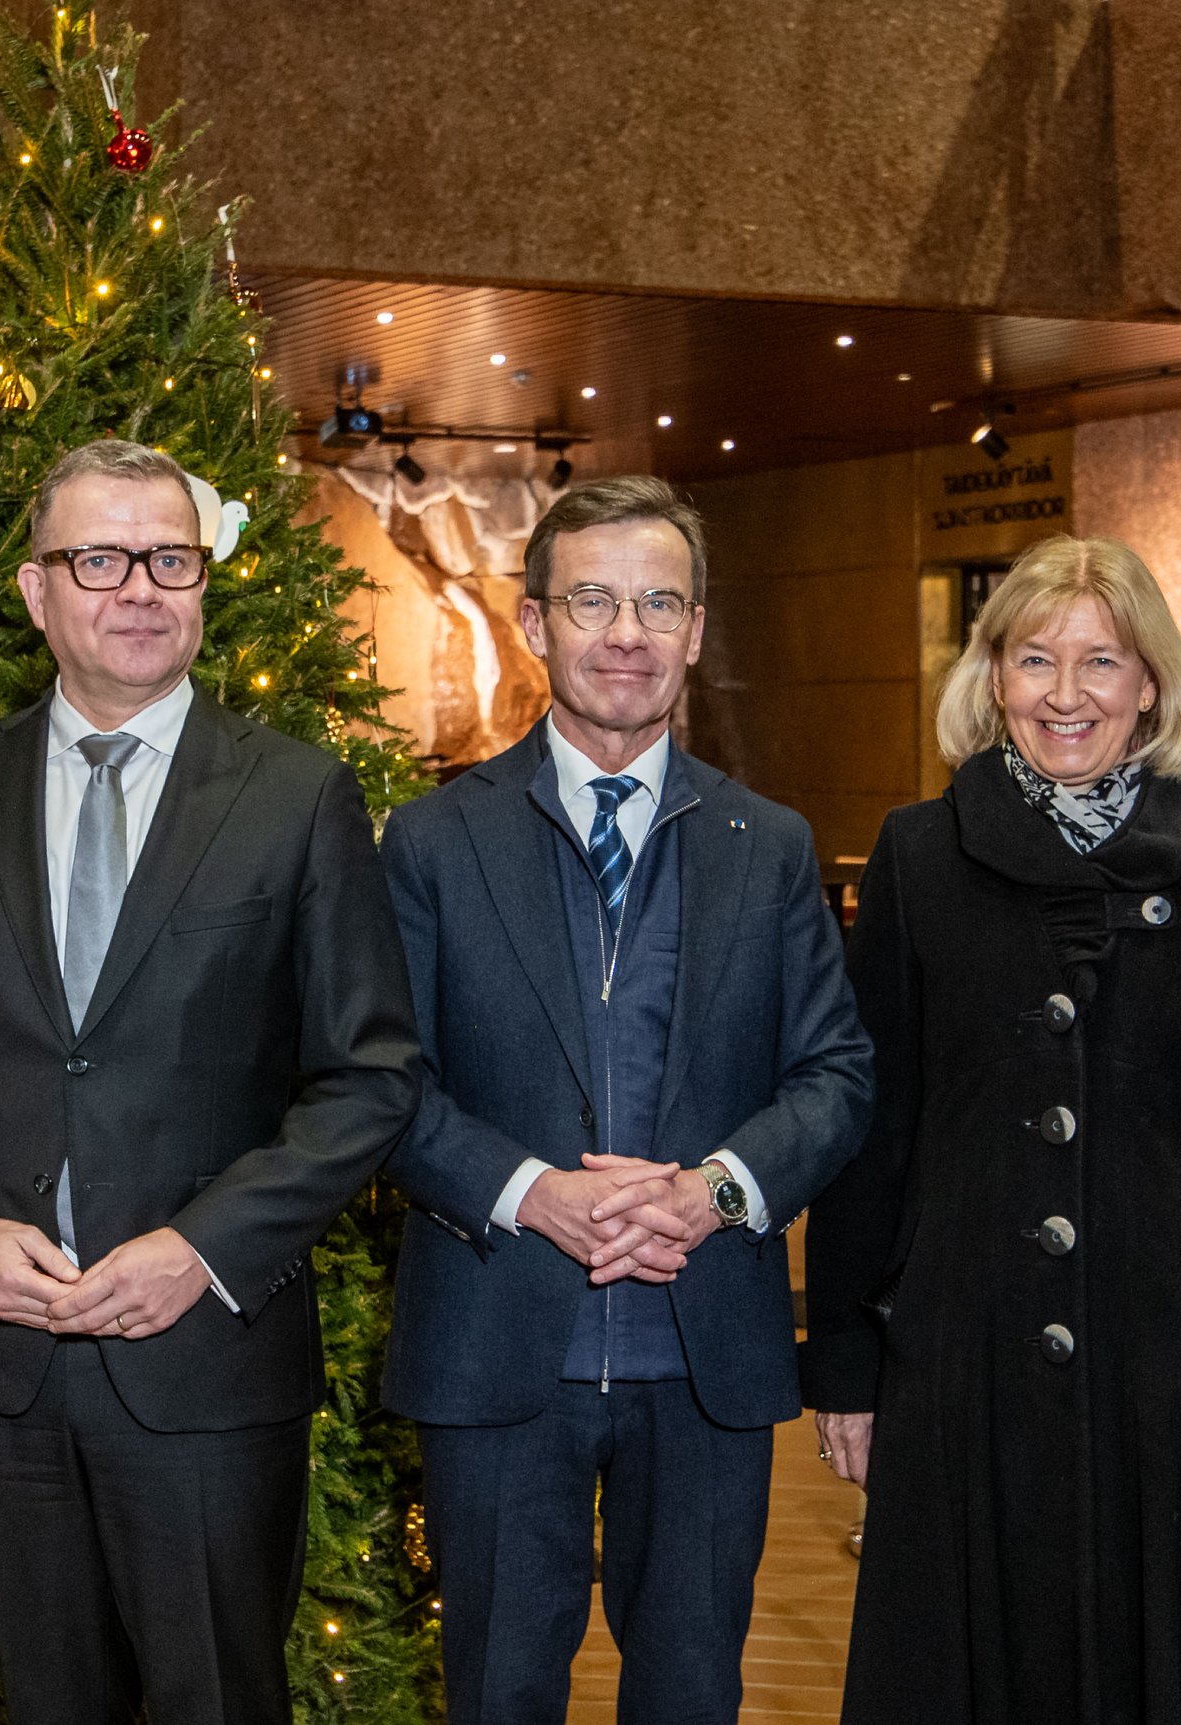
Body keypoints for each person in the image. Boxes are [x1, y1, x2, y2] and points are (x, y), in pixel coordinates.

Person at [0, 438, 422, 1725]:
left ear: (203, 584)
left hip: (205, 1365)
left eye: (171, 557)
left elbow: (369, 1076)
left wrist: (200, 1252)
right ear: (37, 591)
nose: (140, 588)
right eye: (98, 558)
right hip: (8, 1357)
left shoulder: (295, 796)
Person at [802, 534, 1181, 1724]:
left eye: (1100, 663)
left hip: (1177, 1356)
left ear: (1151, 681)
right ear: (992, 676)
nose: (1065, 695)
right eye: (1034, 661)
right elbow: (876, 1127)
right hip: (967, 1355)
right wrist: (846, 1362)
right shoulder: (919, 853)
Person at [378, 475, 875, 1725]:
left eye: (660, 602)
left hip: (703, 1357)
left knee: (693, 1695)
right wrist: (531, 1193)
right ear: (535, 622)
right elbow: (383, 1082)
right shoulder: (433, 842)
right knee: (496, 1693)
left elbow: (836, 1075)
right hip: (496, 1352)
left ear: (697, 629)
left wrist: (715, 1192)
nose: (627, 633)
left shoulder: (767, 846)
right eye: (592, 599)